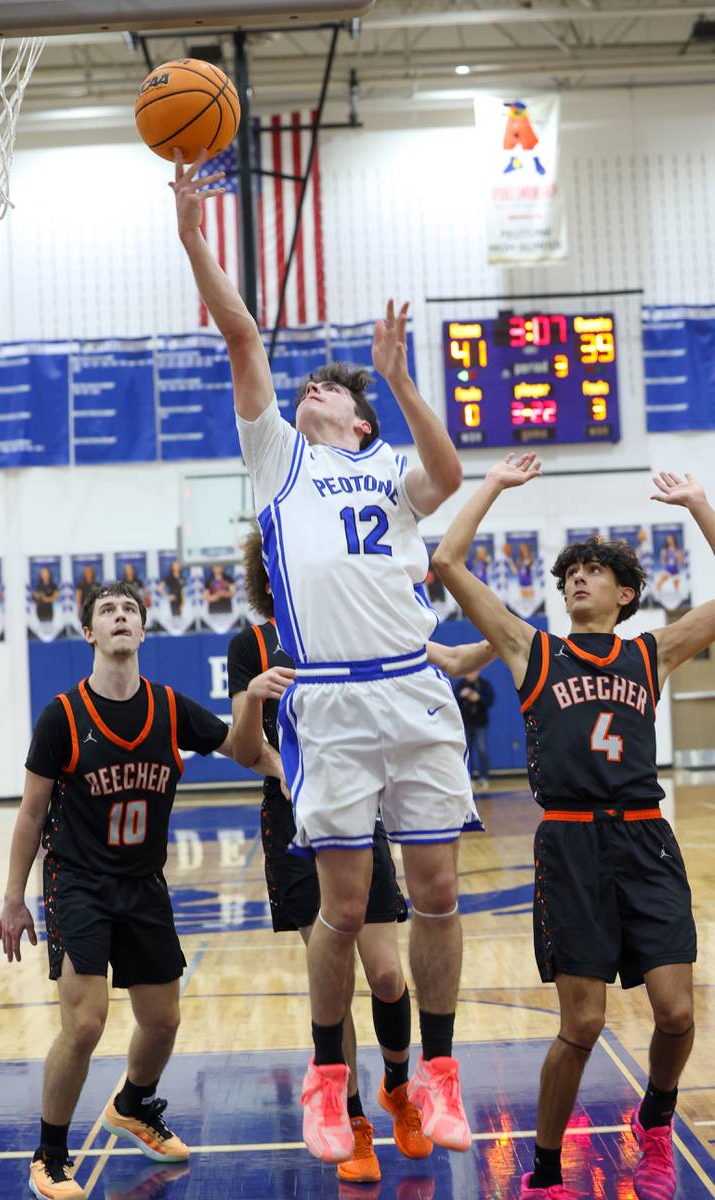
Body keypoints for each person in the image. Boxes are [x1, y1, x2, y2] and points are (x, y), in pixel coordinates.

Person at [172, 151, 481, 1164]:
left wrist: (397, 378)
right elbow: (242, 331)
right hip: (334, 706)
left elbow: (448, 471)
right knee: (342, 911)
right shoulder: (276, 456)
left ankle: (434, 1074)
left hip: (411, 686)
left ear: (356, 420)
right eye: (308, 386)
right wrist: (191, 236)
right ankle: (327, 1078)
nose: (307, 389)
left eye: (331, 391)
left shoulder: (387, 466)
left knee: (434, 894)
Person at [431, 459, 715, 1200]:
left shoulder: (651, 651)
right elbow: (447, 562)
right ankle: (547, 1172)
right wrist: (489, 487)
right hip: (570, 843)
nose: (576, 580)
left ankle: (655, 1124)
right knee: (582, 1023)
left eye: (593, 572)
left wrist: (699, 505)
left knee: (679, 1011)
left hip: (646, 838)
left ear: (625, 594)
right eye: (570, 574)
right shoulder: (533, 650)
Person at [227, 530, 495, 1182]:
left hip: (357, 811)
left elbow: (447, 662)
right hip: (293, 821)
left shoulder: (359, 622)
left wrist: (507, 638)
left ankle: (400, 1087)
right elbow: (239, 749)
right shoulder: (250, 645)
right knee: (338, 978)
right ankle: (351, 1121)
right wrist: (258, 708)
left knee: (386, 975)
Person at [0, 581, 279, 1200]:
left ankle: (132, 1106)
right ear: (90, 634)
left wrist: (254, 703)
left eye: (129, 611)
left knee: (162, 1019)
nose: (120, 617)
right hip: (78, 882)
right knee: (87, 1021)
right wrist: (14, 895)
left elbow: (240, 750)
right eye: (108, 612)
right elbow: (28, 814)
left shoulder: (169, 706)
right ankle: (49, 1154)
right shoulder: (63, 716)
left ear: (143, 632)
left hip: (144, 881)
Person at [453, 669, 495, 790]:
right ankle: (468, 778)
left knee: (482, 750)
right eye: (469, 672)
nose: (472, 674)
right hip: (466, 724)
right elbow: (453, 701)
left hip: (481, 724)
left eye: (474, 672)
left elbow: (490, 699)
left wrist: (479, 698)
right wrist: (462, 696)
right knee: (466, 752)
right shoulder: (461, 685)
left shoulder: (483, 684)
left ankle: (484, 778)